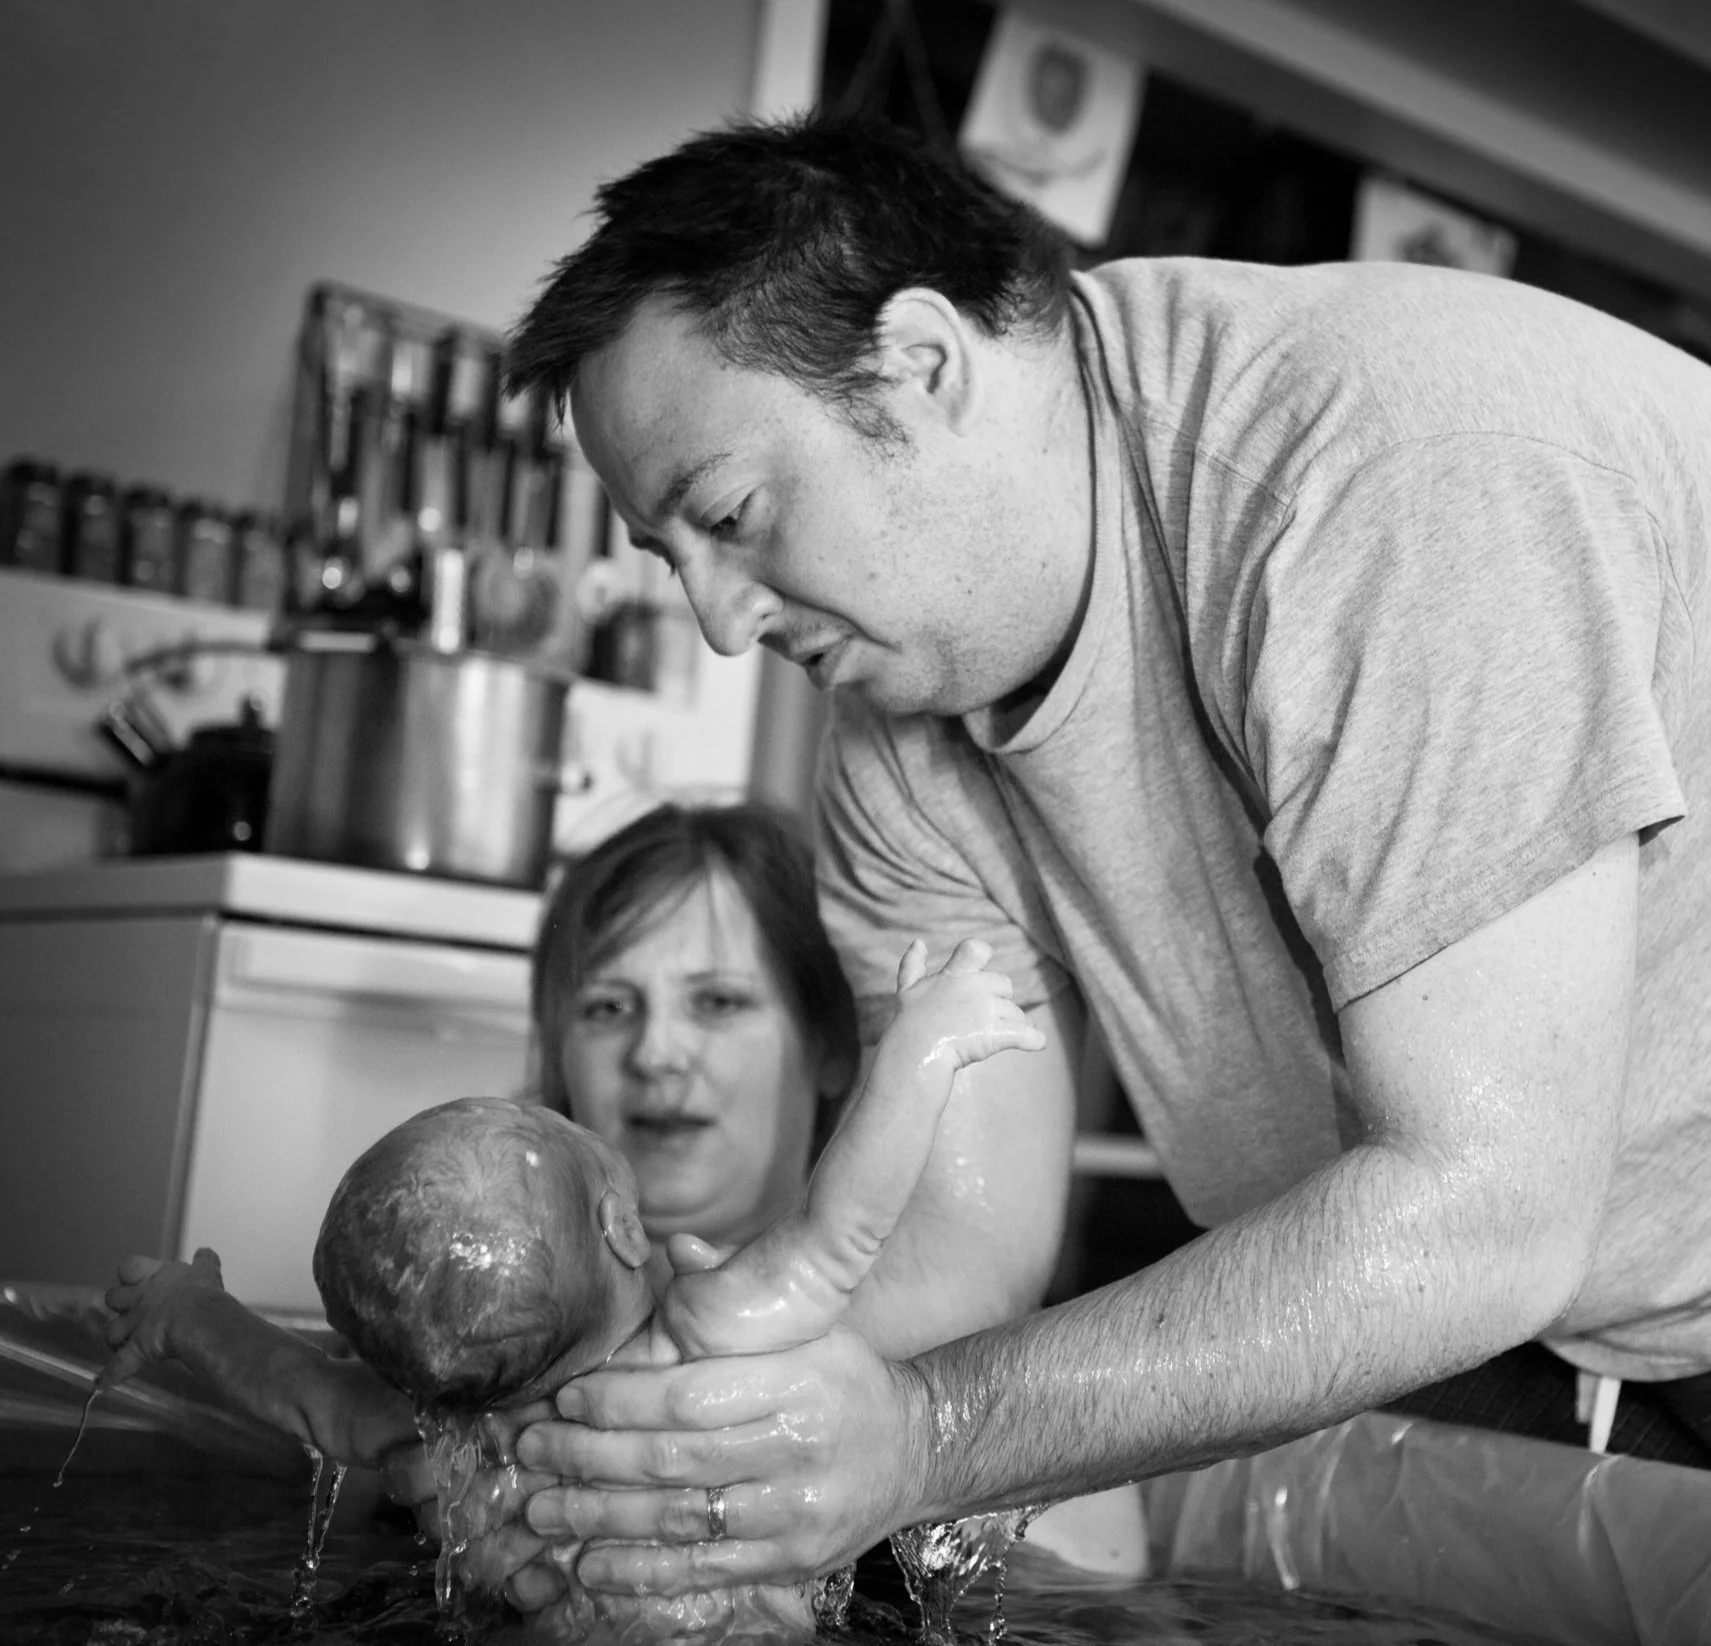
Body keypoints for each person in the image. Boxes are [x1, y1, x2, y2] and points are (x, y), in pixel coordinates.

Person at [478, 104, 1711, 1617]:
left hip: (1537, 1256)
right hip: (1501, 1324)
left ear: (920, 364)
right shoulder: (895, 733)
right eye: (676, 560)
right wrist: (656, 1426)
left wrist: (925, 1434)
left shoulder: (1384, 481)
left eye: (730, 516)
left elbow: (1481, 1209)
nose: (723, 624)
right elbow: (966, 1239)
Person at [105, 930, 1044, 1638]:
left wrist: (186, 1312)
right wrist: (921, 1052)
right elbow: (847, 1220)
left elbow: (295, 1386)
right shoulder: (710, 1332)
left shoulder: (437, 1430)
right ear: (622, 1227)